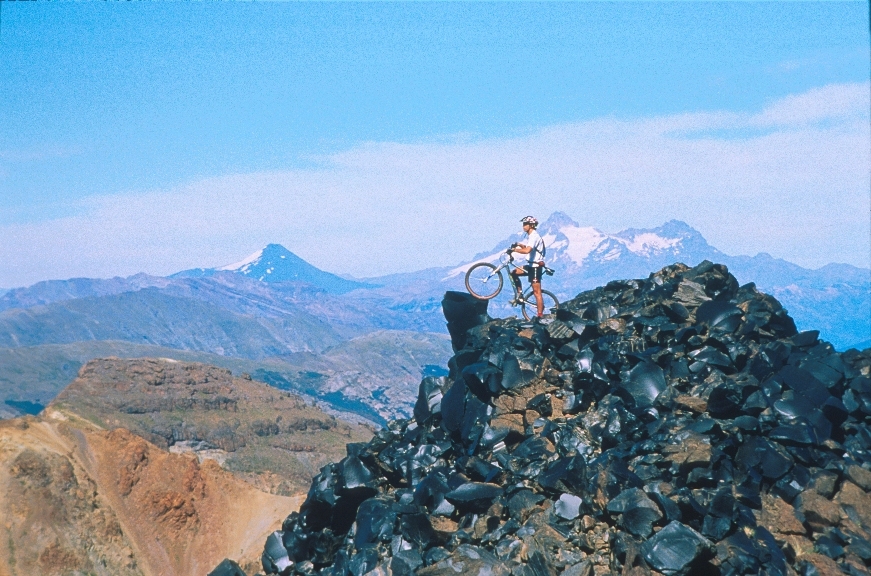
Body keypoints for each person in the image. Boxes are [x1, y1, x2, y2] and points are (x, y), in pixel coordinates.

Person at [508, 215, 547, 317]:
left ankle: (540, 314)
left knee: (536, 292)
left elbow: (527, 251)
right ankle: (520, 294)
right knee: (513, 273)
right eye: (523, 224)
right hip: (530, 265)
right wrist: (520, 245)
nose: (523, 226)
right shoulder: (531, 236)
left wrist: (514, 250)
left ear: (531, 225)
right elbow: (529, 248)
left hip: (535, 267)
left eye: (525, 224)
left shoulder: (534, 236)